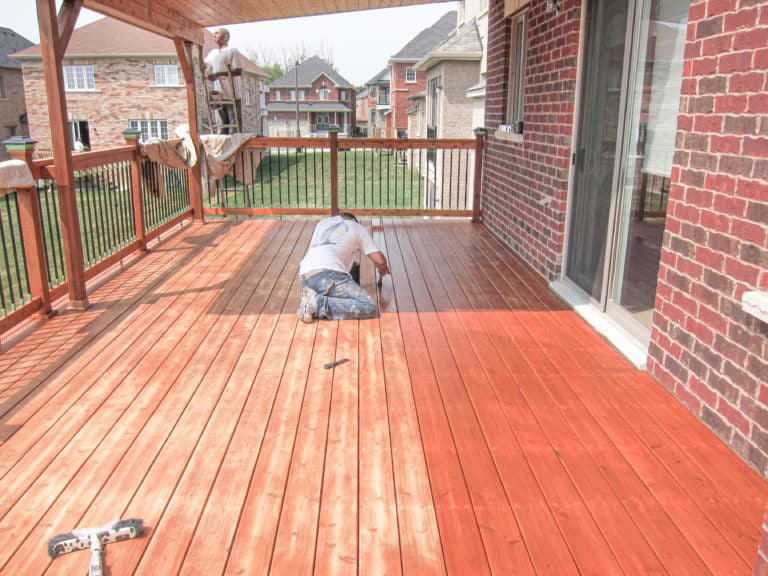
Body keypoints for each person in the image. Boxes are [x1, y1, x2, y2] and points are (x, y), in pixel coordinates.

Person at [297, 212, 389, 323]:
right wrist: (383, 269)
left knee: (337, 296)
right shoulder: (357, 228)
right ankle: (317, 303)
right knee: (367, 306)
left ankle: (311, 302)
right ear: (354, 221)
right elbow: (380, 261)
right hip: (329, 275)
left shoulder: (322, 224)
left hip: (305, 277)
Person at [204, 28, 243, 134]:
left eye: (217, 33)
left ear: (226, 37)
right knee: (221, 126)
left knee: (234, 126)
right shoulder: (214, 53)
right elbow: (203, 65)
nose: (214, 35)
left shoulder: (232, 50)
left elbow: (238, 70)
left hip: (231, 94)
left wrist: (218, 75)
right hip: (218, 95)